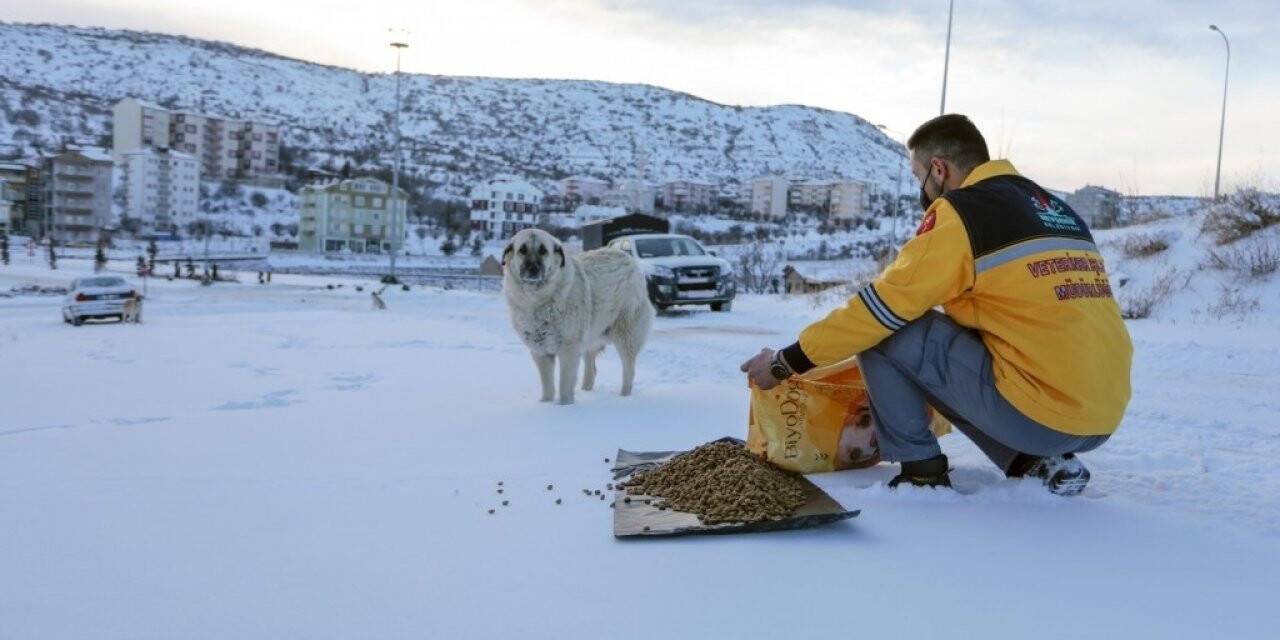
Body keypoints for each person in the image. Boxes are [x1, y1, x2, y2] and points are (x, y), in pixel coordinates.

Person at [741, 114, 1132, 496]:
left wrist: (786, 362)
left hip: (1044, 415)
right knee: (954, 351)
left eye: (918, 176)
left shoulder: (964, 212)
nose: (921, 189)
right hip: (1102, 412)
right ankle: (1034, 462)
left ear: (939, 170)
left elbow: (879, 309)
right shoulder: (1054, 208)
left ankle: (922, 472)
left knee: (887, 328)